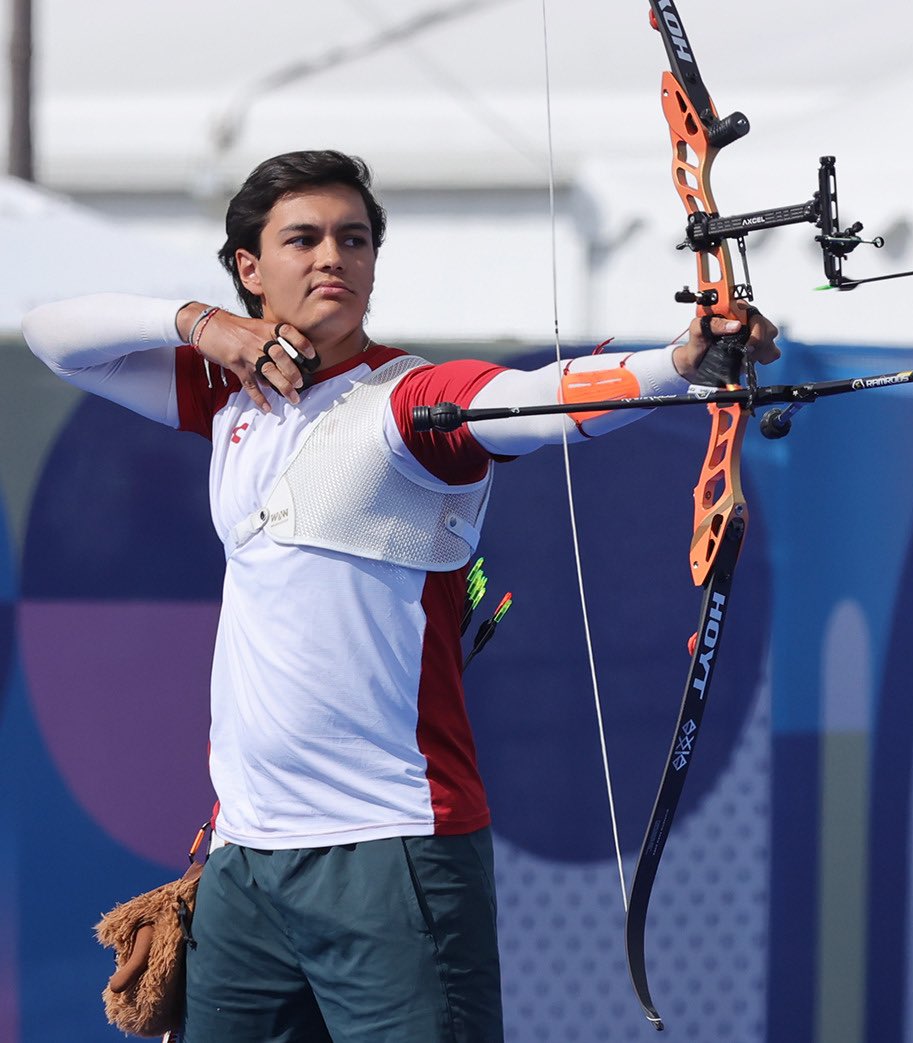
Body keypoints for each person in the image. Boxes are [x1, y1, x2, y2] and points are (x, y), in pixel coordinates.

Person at [22, 149, 779, 1043]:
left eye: (353, 238)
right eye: (301, 239)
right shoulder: (229, 395)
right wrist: (197, 325)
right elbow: (50, 333)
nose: (331, 257)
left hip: (392, 851)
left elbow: (536, 400)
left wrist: (683, 360)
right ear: (249, 271)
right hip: (244, 861)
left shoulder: (411, 402)